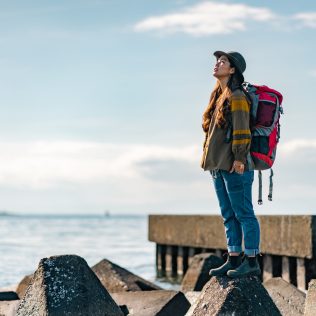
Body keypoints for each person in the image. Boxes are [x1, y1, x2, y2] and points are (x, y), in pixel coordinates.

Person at [200, 50, 261, 278]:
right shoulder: (219, 96)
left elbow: (242, 130)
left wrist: (239, 158)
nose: (217, 64)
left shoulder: (236, 96)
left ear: (233, 69)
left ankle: (252, 260)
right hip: (218, 166)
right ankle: (233, 258)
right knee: (228, 214)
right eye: (217, 60)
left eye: (223, 61)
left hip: (236, 165)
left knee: (244, 213)